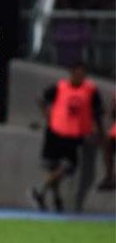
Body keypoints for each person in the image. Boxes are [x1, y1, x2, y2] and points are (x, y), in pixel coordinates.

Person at [31, 63, 103, 213]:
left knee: (67, 166)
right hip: (56, 132)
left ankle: (41, 190)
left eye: (82, 74)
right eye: (76, 74)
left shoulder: (90, 90)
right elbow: (41, 98)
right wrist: (47, 114)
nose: (79, 77)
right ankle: (56, 199)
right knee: (53, 166)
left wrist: (97, 129)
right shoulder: (60, 87)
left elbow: (97, 112)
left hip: (74, 134)